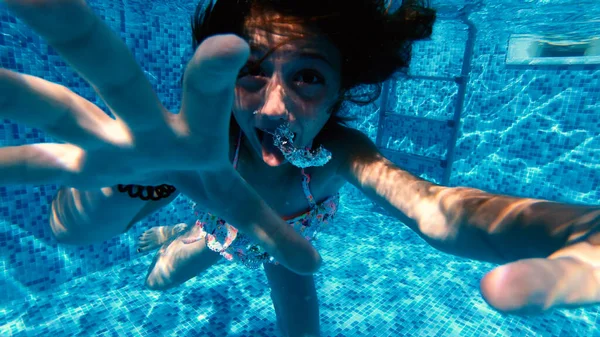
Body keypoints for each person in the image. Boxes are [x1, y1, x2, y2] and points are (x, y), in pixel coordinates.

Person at [0, 0, 598, 336]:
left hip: (295, 242)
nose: (275, 105)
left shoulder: (343, 150)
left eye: (307, 76)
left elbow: (432, 205)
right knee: (159, 281)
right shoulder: (198, 150)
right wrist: (130, 178)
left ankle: (174, 231)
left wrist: (562, 227)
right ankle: (172, 233)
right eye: (252, 71)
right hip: (222, 231)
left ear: (339, 94)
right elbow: (68, 230)